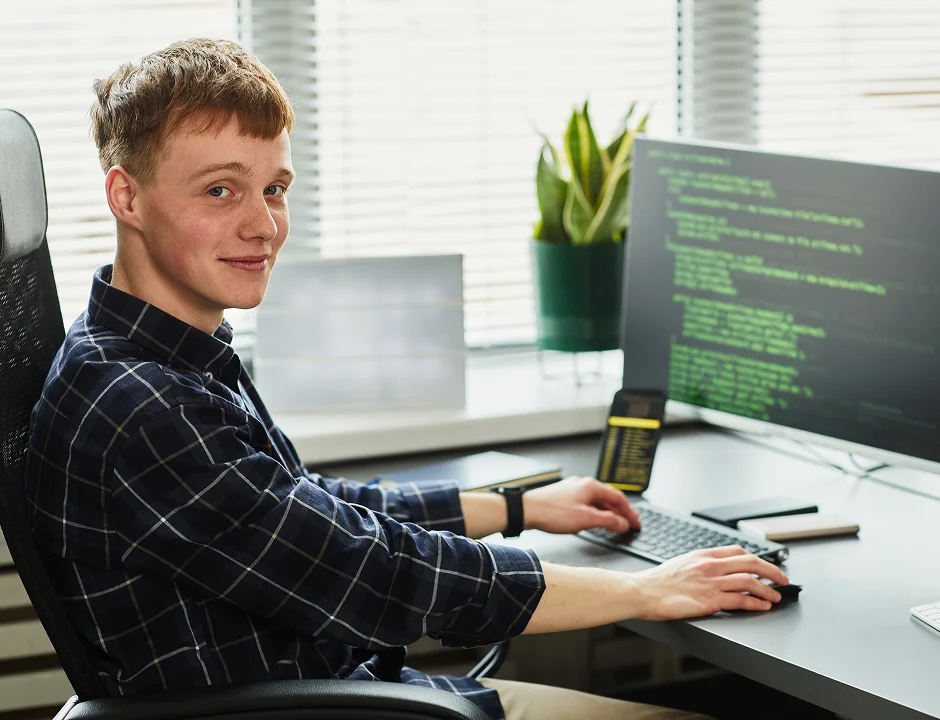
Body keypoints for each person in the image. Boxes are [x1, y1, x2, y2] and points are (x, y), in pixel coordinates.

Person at [25, 38, 788, 720]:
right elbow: (377, 575)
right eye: (221, 190)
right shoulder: (141, 406)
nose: (263, 225)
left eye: (276, 188)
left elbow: (310, 512)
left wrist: (515, 507)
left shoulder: (159, 358)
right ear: (127, 197)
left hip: (353, 693)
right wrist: (646, 591)